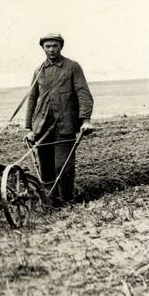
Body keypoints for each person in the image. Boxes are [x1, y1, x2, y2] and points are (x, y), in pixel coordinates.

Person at [23, 33, 94, 205]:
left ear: (61, 46)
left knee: (63, 167)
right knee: (46, 169)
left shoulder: (72, 67)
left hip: (65, 125)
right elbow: (32, 99)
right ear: (43, 48)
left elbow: (83, 94)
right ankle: (51, 202)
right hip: (42, 127)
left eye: (55, 46)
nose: (51, 49)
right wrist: (29, 129)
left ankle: (68, 201)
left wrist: (85, 120)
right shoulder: (39, 70)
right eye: (47, 46)